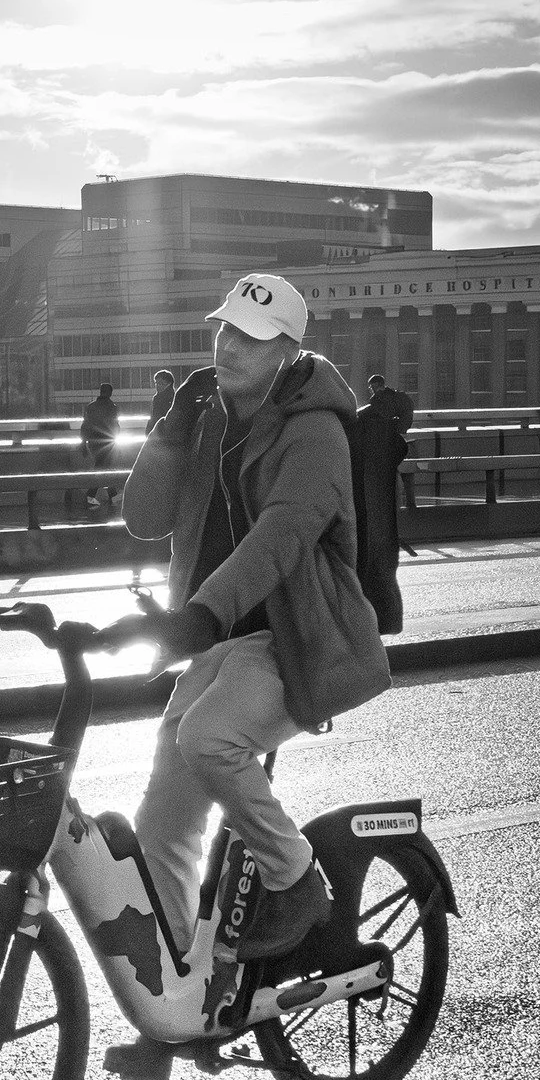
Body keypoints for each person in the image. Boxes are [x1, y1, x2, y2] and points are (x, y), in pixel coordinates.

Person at [103, 270, 392, 990]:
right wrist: (166, 431)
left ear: (287, 352)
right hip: (219, 639)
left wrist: (202, 613)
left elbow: (280, 536)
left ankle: (295, 880)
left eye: (251, 337)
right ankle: (179, 989)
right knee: (162, 821)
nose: (229, 345)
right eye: (224, 328)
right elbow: (144, 519)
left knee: (210, 738)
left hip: (292, 641)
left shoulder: (317, 430)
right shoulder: (205, 417)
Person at [355, 374, 413, 603]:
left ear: (375, 386)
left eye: (373, 387)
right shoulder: (396, 402)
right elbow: (401, 446)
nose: (372, 390)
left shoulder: (372, 411)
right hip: (386, 473)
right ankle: (386, 602)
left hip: (372, 478)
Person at [80, 381, 121, 508]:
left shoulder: (90, 407)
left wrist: (83, 442)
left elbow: (85, 426)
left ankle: (111, 495)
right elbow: (115, 426)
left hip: (93, 443)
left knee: (103, 467)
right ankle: (91, 495)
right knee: (103, 468)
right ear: (110, 393)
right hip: (108, 442)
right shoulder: (113, 408)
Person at [146, 370, 175, 435]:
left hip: (162, 432)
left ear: (169, 383)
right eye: (156, 383)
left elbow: (155, 417)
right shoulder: (158, 397)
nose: (157, 386)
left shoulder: (161, 398)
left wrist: (149, 431)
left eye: (161, 383)